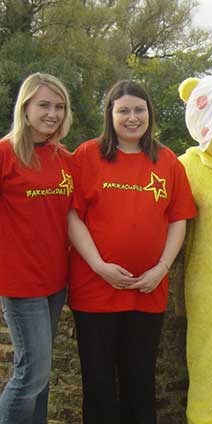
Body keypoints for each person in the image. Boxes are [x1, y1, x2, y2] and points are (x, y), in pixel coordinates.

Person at [67, 80, 196, 424]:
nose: (132, 117)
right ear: (110, 114)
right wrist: (98, 265)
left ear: (149, 114)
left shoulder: (167, 161)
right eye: (123, 110)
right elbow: (72, 216)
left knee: (140, 381)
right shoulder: (87, 156)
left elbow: (178, 219)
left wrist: (162, 269)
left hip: (147, 290)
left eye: (139, 110)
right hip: (94, 290)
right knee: (98, 384)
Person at [0, 73, 73, 423]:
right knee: (30, 374)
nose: (53, 113)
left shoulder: (64, 159)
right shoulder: (5, 154)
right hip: (20, 284)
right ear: (25, 107)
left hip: (56, 282)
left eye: (59, 106)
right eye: (44, 105)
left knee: (41, 379)